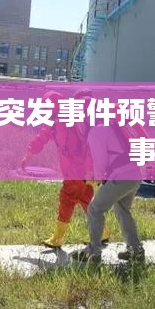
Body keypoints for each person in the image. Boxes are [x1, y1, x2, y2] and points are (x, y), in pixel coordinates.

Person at [21, 89, 111, 248]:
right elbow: (43, 137)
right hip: (81, 170)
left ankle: (57, 238)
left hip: (77, 171)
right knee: (86, 200)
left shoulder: (67, 118)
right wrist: (28, 154)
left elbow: (89, 144)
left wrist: (28, 155)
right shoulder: (59, 119)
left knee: (67, 199)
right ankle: (102, 233)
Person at [72, 123, 144, 263]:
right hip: (134, 174)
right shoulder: (112, 127)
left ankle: (93, 252)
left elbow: (100, 163)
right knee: (122, 210)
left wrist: (97, 179)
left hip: (120, 177)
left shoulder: (96, 132)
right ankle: (136, 251)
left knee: (95, 209)